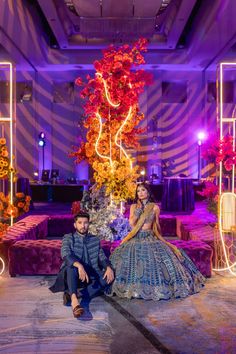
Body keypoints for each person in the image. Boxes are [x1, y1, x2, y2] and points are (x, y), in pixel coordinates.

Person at [109, 182, 205, 300]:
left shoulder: (154, 207)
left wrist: (158, 238)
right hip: (136, 236)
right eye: (138, 191)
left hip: (150, 237)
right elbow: (131, 224)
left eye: (143, 190)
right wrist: (137, 213)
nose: (141, 193)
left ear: (148, 192)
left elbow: (155, 226)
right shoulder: (134, 207)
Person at [49, 211, 114, 318]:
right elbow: (65, 253)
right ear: (75, 225)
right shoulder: (69, 237)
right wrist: (79, 265)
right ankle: (75, 301)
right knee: (71, 267)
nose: (83, 226)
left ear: (89, 224)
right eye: (80, 223)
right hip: (72, 274)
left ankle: (74, 293)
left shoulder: (95, 240)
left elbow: (101, 257)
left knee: (108, 276)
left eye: (85, 223)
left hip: (89, 274)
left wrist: (108, 267)